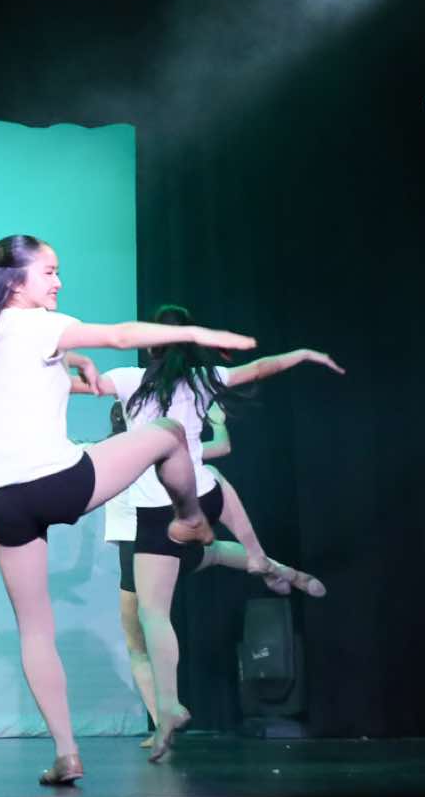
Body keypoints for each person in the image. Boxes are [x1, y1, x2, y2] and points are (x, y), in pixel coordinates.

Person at [0, 235, 252, 784]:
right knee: (170, 432)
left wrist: (71, 358)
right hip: (59, 483)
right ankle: (191, 518)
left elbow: (31, 364)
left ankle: (66, 753)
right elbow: (120, 336)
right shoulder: (40, 324)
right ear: (15, 281)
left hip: (2, 499)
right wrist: (194, 334)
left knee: (35, 630)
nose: (58, 282)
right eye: (49, 272)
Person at [99, 311, 342, 757]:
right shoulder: (199, 382)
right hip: (200, 504)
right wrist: (303, 354)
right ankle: (270, 563)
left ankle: (165, 713)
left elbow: (82, 398)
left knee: (143, 631)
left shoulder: (118, 437)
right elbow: (257, 372)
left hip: (148, 532)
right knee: (215, 527)